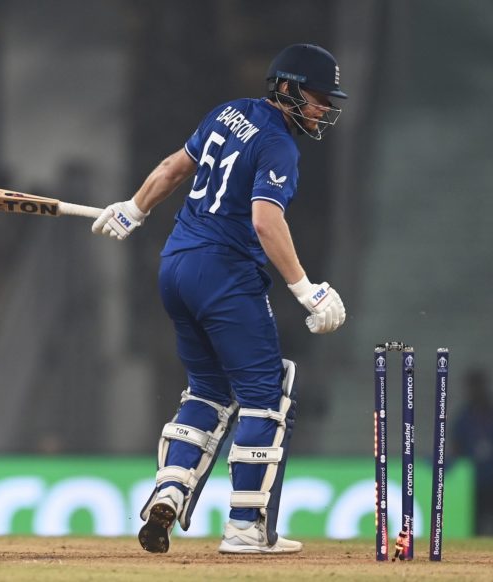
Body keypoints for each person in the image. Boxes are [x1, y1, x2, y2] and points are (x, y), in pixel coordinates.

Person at [91, 44, 348, 554]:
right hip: (224, 274)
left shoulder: (226, 113)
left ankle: (170, 489)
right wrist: (307, 290)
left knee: (208, 391)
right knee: (266, 394)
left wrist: (134, 209)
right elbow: (264, 220)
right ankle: (247, 528)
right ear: (288, 88)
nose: (323, 109)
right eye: (318, 97)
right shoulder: (279, 145)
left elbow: (172, 167)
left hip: (177, 267)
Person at [453, 368, 493, 536]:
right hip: (473, 480)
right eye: (472, 387)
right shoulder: (464, 417)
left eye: (478, 386)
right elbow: (456, 446)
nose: (475, 391)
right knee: (475, 524)